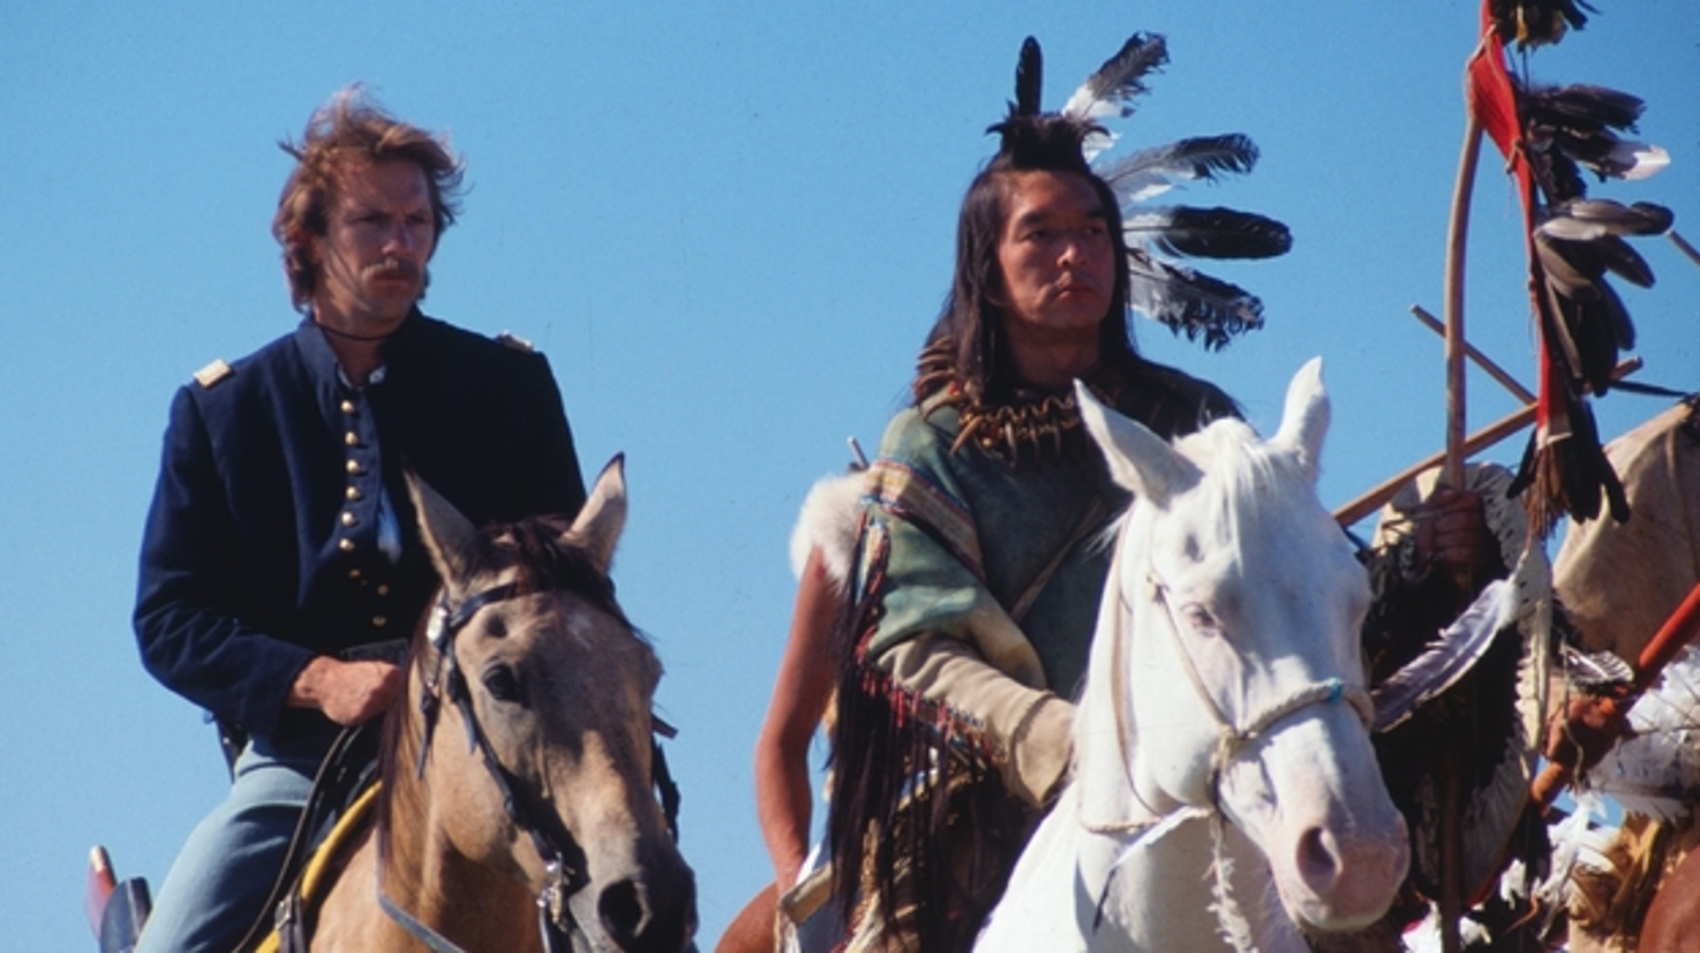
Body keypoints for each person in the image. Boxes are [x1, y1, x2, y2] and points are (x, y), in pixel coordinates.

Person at [802, 36, 1498, 953]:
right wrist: (1058, 738)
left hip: (1235, 759)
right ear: (987, 269)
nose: (1074, 254)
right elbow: (912, 648)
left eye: (1092, 232)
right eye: (1040, 234)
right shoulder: (930, 444)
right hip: (999, 790)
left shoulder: (1196, 419)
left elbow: (1291, 599)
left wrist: (1424, 566)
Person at [131, 87, 587, 953]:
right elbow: (170, 618)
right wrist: (317, 680)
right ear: (307, 240)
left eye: (417, 222)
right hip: (301, 766)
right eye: (372, 221)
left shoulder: (508, 387)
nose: (399, 243)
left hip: (503, 745)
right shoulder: (225, 412)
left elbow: (571, 585)